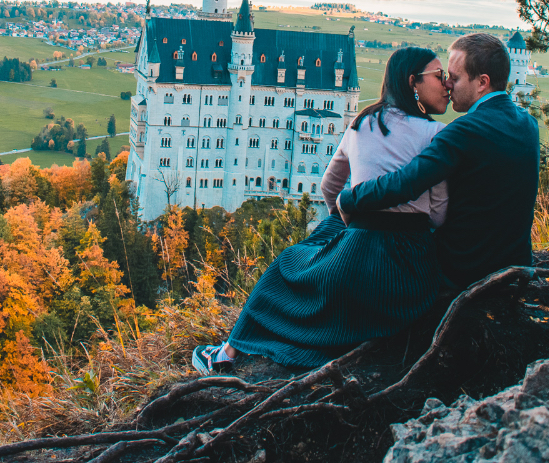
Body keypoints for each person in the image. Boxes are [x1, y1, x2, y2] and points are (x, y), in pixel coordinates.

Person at [193, 46, 451, 373]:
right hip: (409, 275)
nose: (446, 84)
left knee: (285, 265)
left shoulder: (362, 123)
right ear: (413, 82)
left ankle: (226, 354)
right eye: (439, 76)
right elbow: (438, 215)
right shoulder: (438, 135)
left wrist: (346, 225)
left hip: (357, 255)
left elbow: (330, 186)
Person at [336, 33, 539, 294]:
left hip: (464, 272)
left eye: (454, 78)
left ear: (482, 83)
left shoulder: (464, 131)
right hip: (515, 267)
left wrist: (350, 198)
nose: (447, 85)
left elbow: (405, 183)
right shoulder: (528, 124)